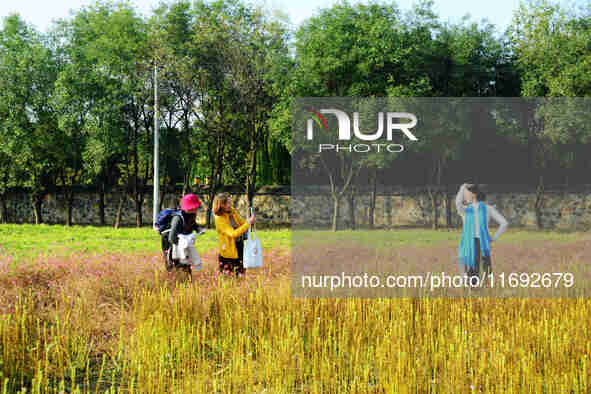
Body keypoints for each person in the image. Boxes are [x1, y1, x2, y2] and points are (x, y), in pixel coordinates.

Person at [456, 183, 508, 288]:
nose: (464, 197)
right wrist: (494, 238)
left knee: (470, 274)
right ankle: (484, 291)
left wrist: (462, 188)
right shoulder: (487, 208)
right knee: (485, 271)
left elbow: (457, 203)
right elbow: (504, 223)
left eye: (466, 195)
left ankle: (473, 291)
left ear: (473, 195)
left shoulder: (465, 210)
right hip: (483, 243)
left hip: (469, 245)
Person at [213, 193, 255, 277]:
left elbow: (242, 223)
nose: (231, 204)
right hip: (228, 251)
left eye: (230, 202)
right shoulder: (219, 219)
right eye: (228, 203)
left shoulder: (232, 211)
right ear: (222, 205)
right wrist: (248, 223)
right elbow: (233, 234)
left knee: (241, 275)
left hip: (239, 246)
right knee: (228, 277)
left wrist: (250, 223)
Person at [161, 193, 204, 272]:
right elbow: (171, 237)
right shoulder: (177, 218)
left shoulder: (191, 214)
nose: (195, 209)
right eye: (193, 207)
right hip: (171, 243)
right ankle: (174, 279)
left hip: (182, 242)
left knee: (186, 264)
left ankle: (186, 280)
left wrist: (198, 229)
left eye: (195, 207)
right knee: (174, 265)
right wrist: (183, 244)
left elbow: (193, 224)